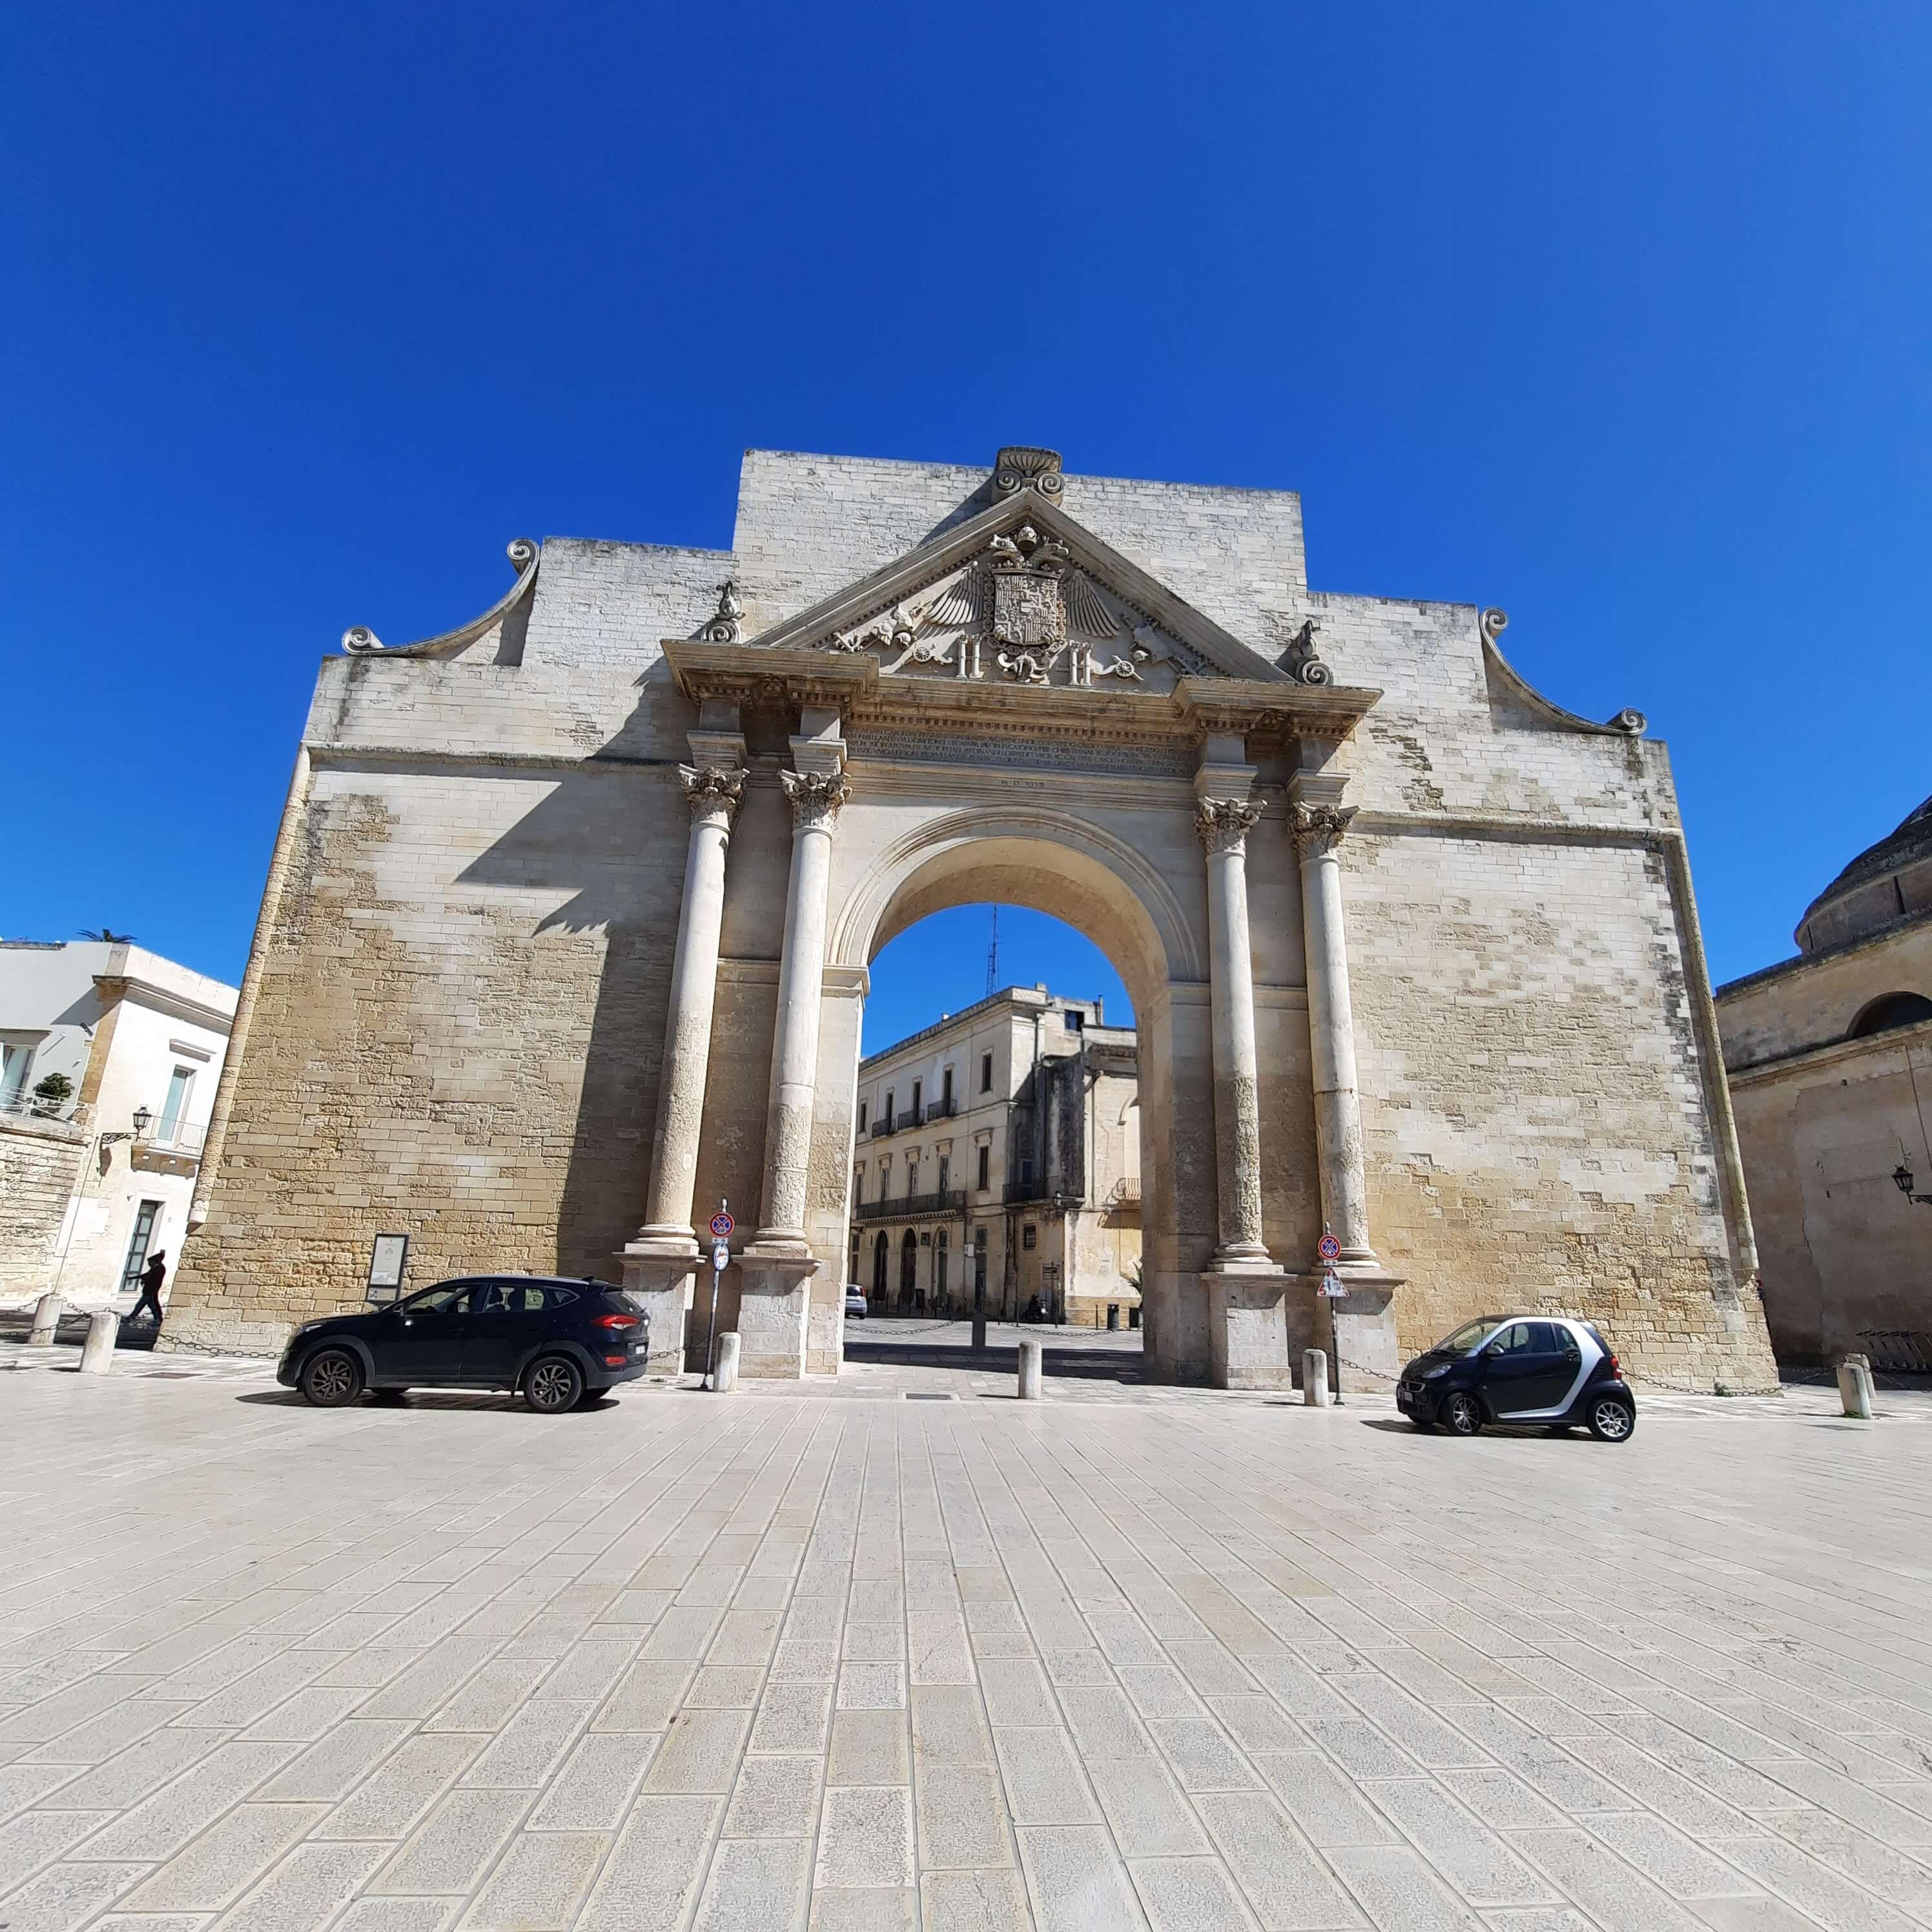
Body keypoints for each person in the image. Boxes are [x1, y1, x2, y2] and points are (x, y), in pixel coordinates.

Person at [128, 1249, 167, 1327]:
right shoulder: (156, 1268)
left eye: (150, 1262)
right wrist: (135, 1278)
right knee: (149, 1305)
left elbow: (150, 1278)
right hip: (149, 1290)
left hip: (151, 1290)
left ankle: (157, 1319)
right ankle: (157, 1318)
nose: (149, 1264)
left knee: (145, 1305)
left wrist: (144, 1279)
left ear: (155, 1262)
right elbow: (147, 1275)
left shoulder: (159, 1269)